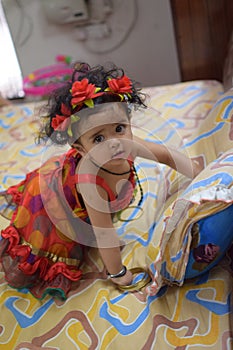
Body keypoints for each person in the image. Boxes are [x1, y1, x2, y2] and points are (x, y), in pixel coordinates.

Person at [0, 62, 202, 300]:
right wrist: (118, 273)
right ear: (80, 148)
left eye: (119, 128)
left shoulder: (129, 146)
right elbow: (104, 233)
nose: (114, 142)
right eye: (98, 138)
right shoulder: (90, 183)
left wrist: (200, 173)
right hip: (53, 204)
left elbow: (168, 155)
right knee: (61, 241)